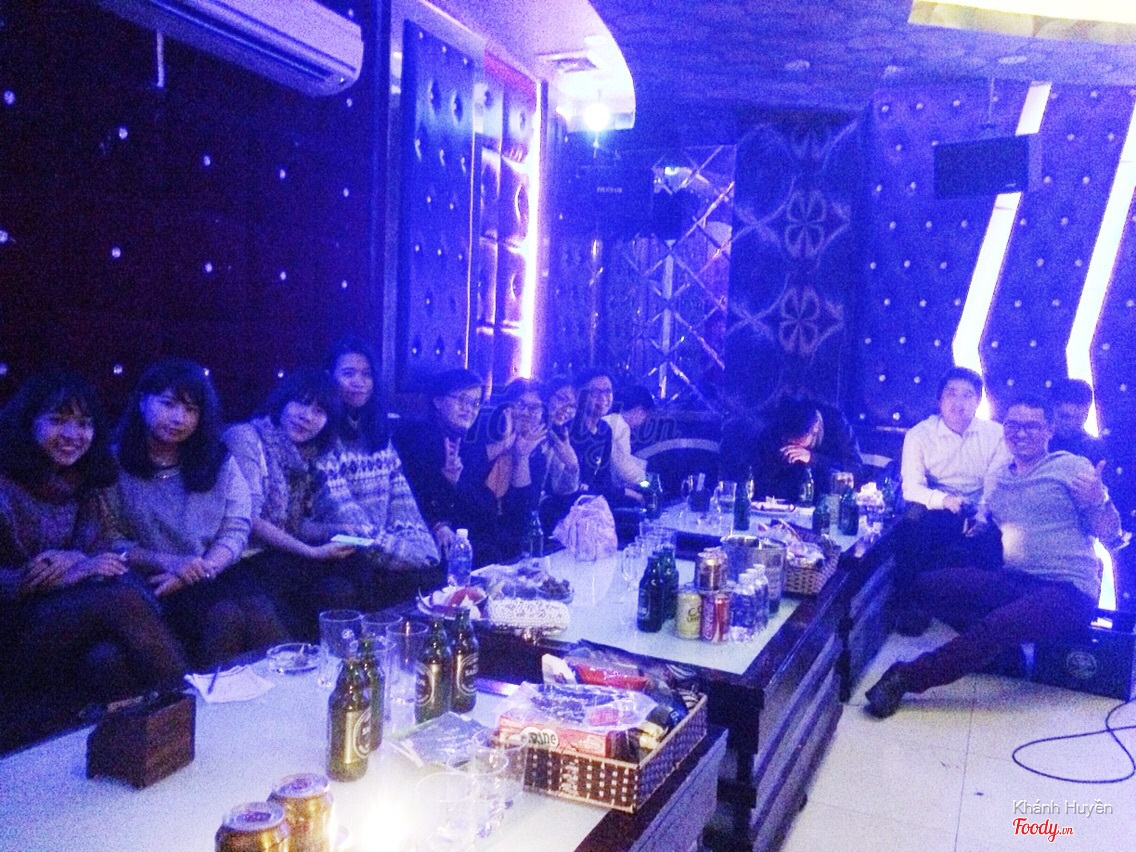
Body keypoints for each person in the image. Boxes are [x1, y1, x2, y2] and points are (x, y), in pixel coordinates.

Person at [865, 395, 1122, 718]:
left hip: (1068, 591)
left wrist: (1098, 500)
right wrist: (978, 523)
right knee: (929, 586)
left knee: (996, 626)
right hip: (1017, 581)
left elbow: (1111, 535)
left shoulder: (1072, 468)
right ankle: (1003, 657)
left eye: (1032, 426)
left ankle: (905, 678)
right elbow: (990, 515)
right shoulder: (1000, 478)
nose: (1021, 433)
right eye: (1013, 425)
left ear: (1049, 430)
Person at [0, 371, 187, 743]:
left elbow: (101, 553)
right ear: (27, 423)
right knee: (120, 598)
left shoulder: (81, 483)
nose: (73, 435)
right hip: (13, 621)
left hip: (69, 616)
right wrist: (46, 577)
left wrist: (75, 563)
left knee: (107, 658)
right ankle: (192, 704)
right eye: (58, 420)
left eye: (84, 424)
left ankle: (151, 748)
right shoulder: (6, 485)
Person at [109, 358, 286, 668]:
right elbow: (109, 537)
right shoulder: (115, 464)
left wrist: (201, 569)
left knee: (260, 611)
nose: (179, 418)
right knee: (224, 616)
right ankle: (203, 699)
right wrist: (170, 563)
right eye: (168, 404)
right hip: (153, 577)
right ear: (142, 401)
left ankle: (288, 689)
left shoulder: (217, 460)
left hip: (214, 569)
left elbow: (236, 527)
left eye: (191, 410)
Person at [224, 368, 364, 638]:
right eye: (300, 402)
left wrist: (338, 530)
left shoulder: (303, 456)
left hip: (276, 555)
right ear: (282, 400)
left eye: (319, 411)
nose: (307, 416)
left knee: (350, 570)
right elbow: (249, 520)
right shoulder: (246, 438)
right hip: (241, 558)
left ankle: (350, 653)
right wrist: (312, 552)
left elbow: (294, 524)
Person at [310, 336, 440, 604]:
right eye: (348, 374)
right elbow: (344, 516)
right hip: (340, 550)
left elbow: (403, 505)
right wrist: (411, 556)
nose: (358, 382)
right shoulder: (321, 433)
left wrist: (423, 550)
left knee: (434, 576)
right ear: (329, 377)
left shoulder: (377, 434)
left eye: (366, 375)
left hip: (384, 547)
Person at [892, 367, 1010, 634]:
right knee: (913, 528)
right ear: (939, 400)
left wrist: (982, 514)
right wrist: (944, 500)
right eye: (952, 394)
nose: (959, 402)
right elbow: (912, 488)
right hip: (936, 504)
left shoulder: (996, 435)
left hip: (982, 505)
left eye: (968, 395)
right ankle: (912, 606)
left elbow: (996, 484)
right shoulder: (919, 435)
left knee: (995, 539)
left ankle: (983, 617)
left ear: (978, 402)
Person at [394, 368, 518, 566]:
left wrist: (506, 443)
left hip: (463, 532)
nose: (469, 409)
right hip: (421, 538)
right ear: (438, 401)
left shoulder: (461, 440)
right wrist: (438, 522)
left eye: (475, 403)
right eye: (462, 400)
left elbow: (479, 496)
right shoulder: (416, 438)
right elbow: (411, 495)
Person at [750, 396, 863, 503]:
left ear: (815, 427)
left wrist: (812, 459)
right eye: (788, 440)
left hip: (828, 502)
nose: (793, 446)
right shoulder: (774, 431)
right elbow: (758, 477)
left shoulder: (837, 426)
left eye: (799, 439)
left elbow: (855, 471)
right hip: (785, 502)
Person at [603, 384, 653, 491]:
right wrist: (647, 481)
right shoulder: (620, 426)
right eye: (645, 416)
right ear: (640, 411)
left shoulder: (611, 420)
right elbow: (624, 468)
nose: (642, 422)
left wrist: (642, 466)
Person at [1049, 378, 1108, 466]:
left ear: (1086, 412)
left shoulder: (1096, 449)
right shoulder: (1039, 444)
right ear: (1052, 410)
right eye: (1065, 417)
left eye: (1077, 418)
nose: (1071, 424)